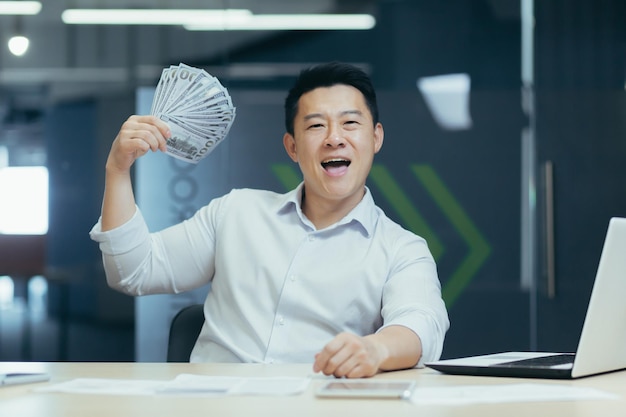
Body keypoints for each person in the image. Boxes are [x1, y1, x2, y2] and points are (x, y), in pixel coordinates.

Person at [90, 61, 449, 378]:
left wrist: (375, 350)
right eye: (315, 126)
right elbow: (133, 271)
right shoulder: (236, 212)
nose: (334, 139)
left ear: (376, 138)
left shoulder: (402, 250)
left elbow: (421, 325)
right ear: (292, 147)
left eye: (350, 123)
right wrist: (117, 169)